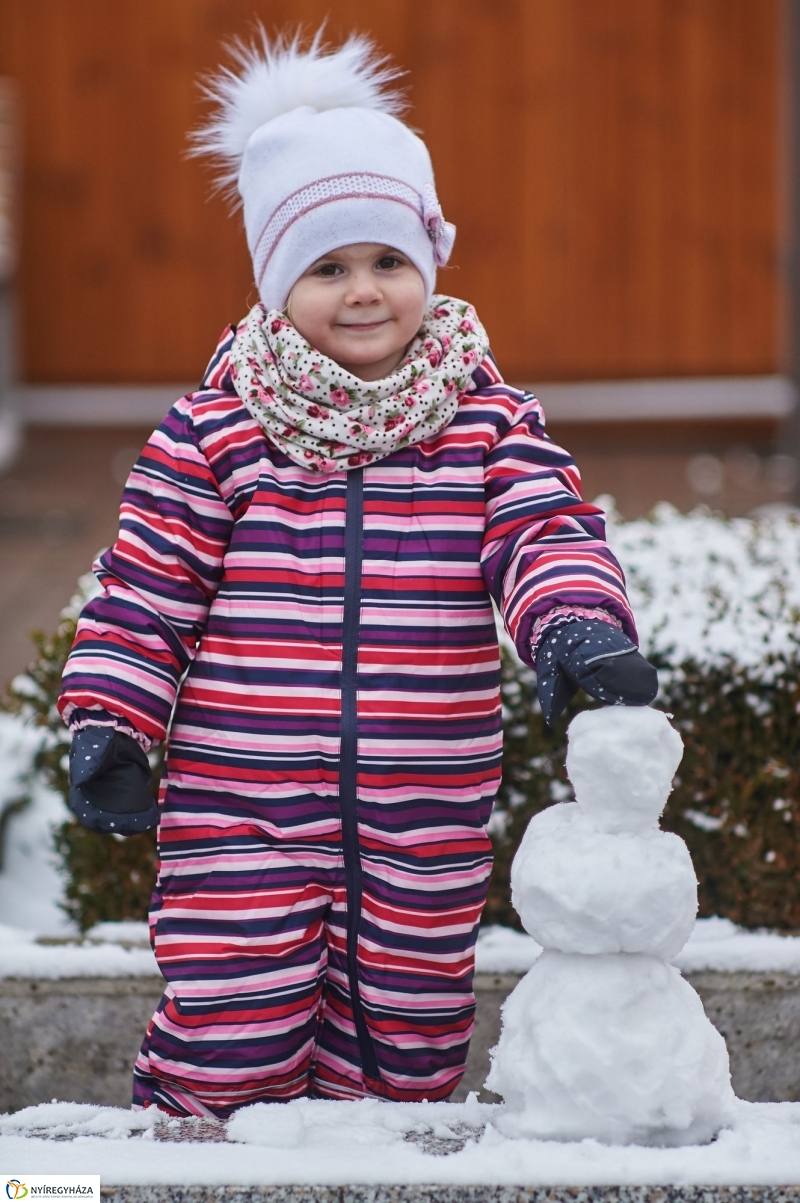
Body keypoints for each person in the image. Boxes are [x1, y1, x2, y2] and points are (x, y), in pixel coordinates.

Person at [58, 31, 657, 1118]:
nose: (364, 291)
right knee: (228, 1036)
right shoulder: (215, 434)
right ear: (277, 282)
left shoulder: (480, 422)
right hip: (239, 804)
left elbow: (543, 528)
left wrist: (573, 623)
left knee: (406, 1046)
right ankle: (195, 1167)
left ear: (427, 264)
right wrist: (111, 717)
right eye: (326, 268)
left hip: (423, 799)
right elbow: (145, 590)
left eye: (388, 261)